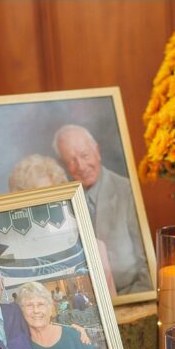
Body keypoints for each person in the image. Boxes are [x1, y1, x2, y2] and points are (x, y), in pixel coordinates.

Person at [53, 125, 151, 295]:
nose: (81, 166)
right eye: (71, 161)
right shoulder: (60, 201)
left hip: (128, 296)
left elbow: (148, 266)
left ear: (97, 151)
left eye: (85, 155)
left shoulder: (127, 191)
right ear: (63, 165)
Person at [7, 153, 118, 297]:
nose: (46, 208)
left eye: (52, 196)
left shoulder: (96, 248)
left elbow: (114, 306)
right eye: (36, 201)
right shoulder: (17, 260)